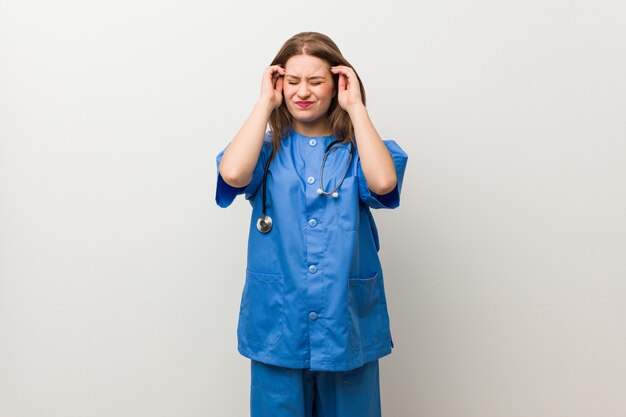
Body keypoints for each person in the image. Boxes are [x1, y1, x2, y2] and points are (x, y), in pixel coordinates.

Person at [214, 31, 408, 417]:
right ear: (278, 84)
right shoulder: (263, 149)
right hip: (278, 322)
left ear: (337, 85)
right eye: (292, 81)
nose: (303, 91)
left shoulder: (360, 149)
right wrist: (262, 105)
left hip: (345, 320)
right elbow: (234, 174)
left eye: (316, 81)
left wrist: (356, 108)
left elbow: (383, 182)